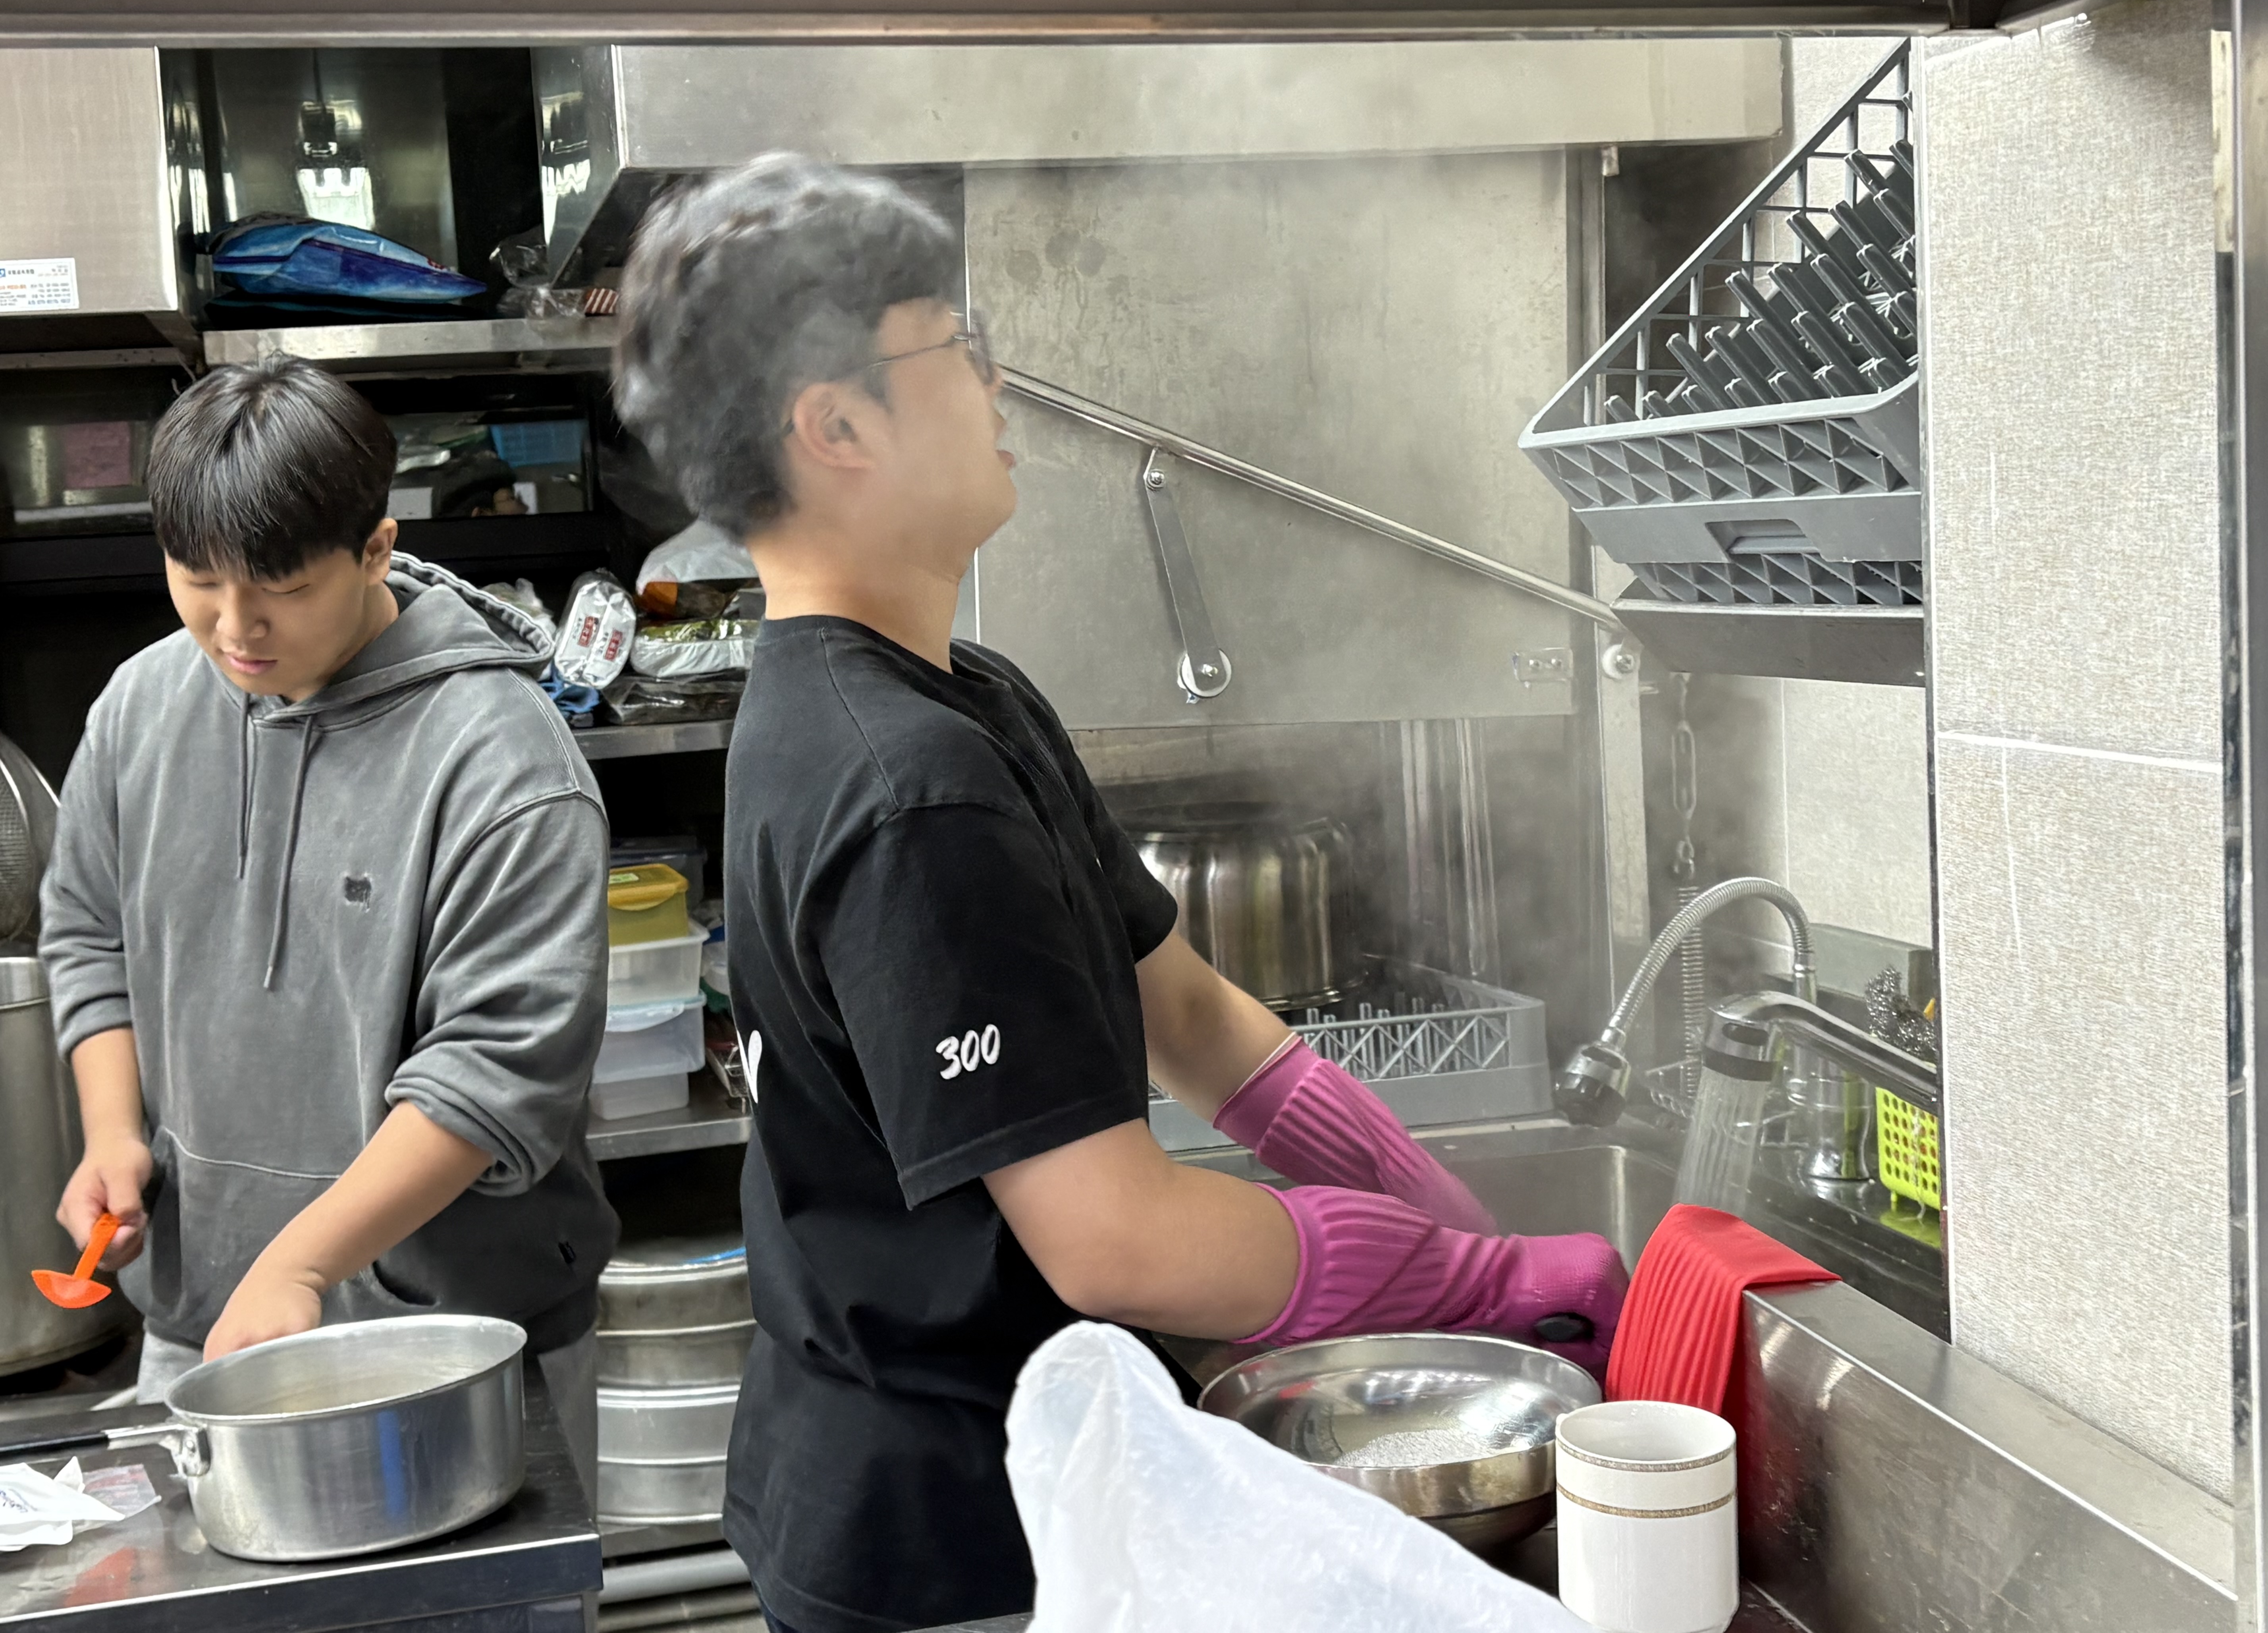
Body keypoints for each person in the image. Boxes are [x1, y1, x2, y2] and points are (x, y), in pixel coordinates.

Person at [612, 155, 1628, 1633]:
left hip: (968, 1470)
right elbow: (1115, 1237)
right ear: (836, 426)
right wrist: (1464, 1277)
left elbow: (1192, 1012)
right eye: (955, 345)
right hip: (951, 1532)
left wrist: (1428, 1206)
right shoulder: (909, 788)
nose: (994, 381)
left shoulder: (957, 698)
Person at [40, 355, 617, 1496]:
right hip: (204, 1327)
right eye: (198, 580)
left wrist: (304, 1261)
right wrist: (113, 1132)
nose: (235, 628)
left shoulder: (503, 762)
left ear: (376, 549)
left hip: (457, 1348)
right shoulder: (141, 706)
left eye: (285, 589)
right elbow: (90, 928)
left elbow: (497, 1070)